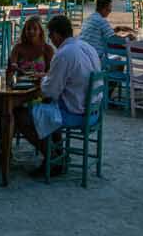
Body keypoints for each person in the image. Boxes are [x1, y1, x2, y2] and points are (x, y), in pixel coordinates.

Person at [13, 15, 100, 178]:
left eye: (51, 35)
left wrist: (43, 80)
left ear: (57, 35)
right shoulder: (86, 47)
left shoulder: (64, 53)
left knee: (20, 114)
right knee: (47, 108)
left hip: (76, 113)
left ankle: (52, 157)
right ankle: (58, 152)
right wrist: (46, 78)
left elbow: (50, 91)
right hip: (93, 111)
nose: (51, 40)